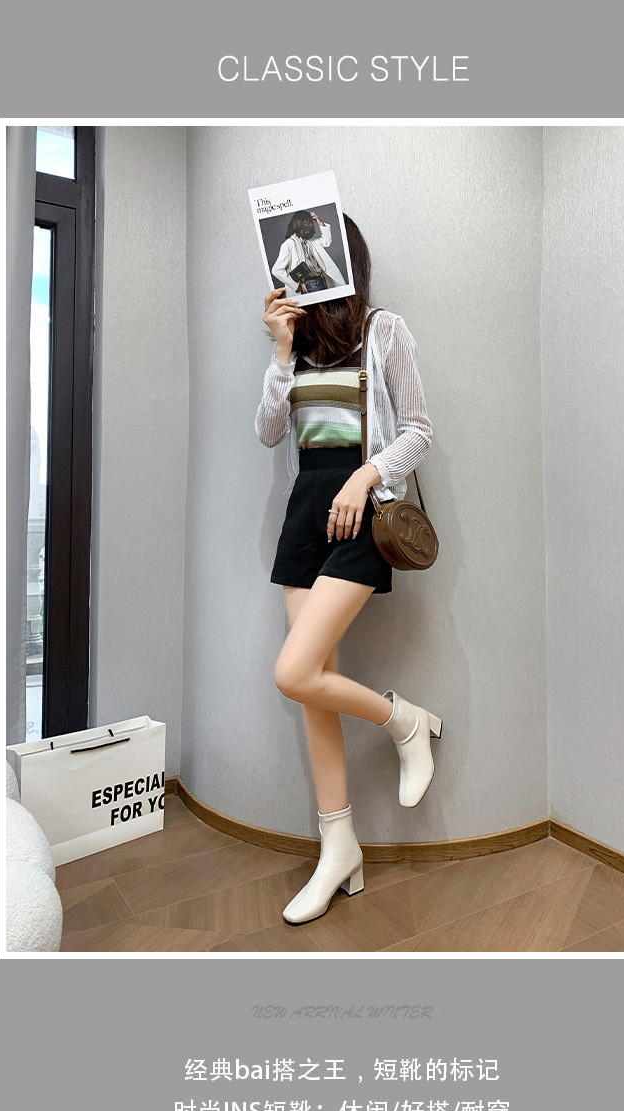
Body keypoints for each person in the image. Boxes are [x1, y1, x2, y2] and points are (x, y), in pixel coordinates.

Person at [255, 214, 442, 926]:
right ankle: (340, 848)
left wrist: (366, 477)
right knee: (312, 687)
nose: (294, 272)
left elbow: (419, 428)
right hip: (306, 511)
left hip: (362, 511)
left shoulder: (382, 330)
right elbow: (268, 432)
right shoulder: (296, 345)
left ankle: (405, 723)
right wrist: (280, 350)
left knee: (293, 672)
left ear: (338, 257)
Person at [271, 209, 347, 295]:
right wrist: (296, 285)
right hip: (309, 285)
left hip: (322, 280)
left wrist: (319, 222)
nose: (311, 225)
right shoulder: (289, 243)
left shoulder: (310, 241)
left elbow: (326, 241)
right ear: (299, 223)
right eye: (308, 222)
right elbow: (277, 270)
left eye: (311, 222)